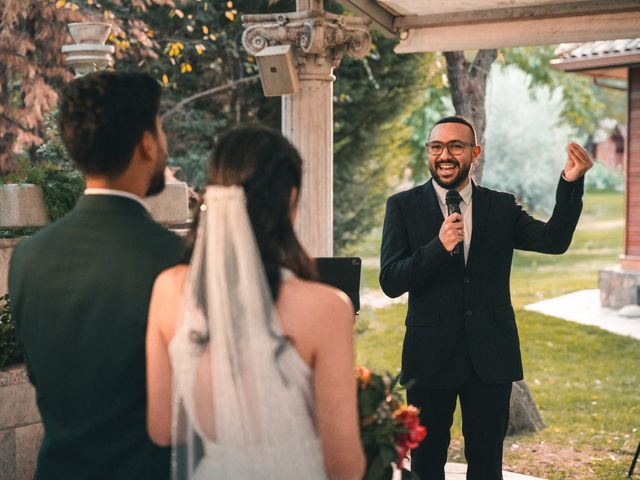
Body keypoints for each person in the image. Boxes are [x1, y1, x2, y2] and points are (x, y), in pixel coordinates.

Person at [379, 115, 592, 480]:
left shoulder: (500, 206)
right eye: (436, 147)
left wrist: (570, 183)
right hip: (430, 357)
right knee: (427, 462)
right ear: (428, 153)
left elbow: (553, 241)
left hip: (491, 357)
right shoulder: (402, 206)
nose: (445, 155)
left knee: (487, 462)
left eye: (456, 146)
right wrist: (438, 247)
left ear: (474, 152)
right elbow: (391, 281)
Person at [146, 126, 365, 480]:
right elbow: (345, 466)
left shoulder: (168, 290)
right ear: (291, 198)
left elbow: (164, 429)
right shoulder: (327, 308)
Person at [8, 71, 185, 480]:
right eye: (159, 129)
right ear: (145, 143)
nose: (163, 143)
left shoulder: (27, 257)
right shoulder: (176, 259)